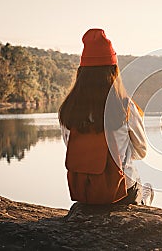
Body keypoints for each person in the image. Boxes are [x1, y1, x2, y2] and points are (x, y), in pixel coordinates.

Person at [58, 28, 152, 205]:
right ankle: (144, 199)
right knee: (146, 188)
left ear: (81, 73)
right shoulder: (125, 107)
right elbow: (141, 151)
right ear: (114, 71)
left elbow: (70, 146)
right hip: (121, 193)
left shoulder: (68, 109)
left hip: (85, 192)